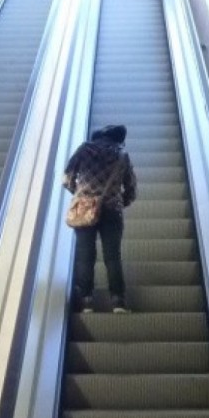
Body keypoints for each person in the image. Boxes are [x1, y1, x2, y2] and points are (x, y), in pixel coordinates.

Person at [64, 125, 137, 313]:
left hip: (84, 208)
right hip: (112, 210)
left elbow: (67, 179)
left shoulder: (84, 149)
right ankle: (118, 302)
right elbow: (131, 188)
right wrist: (122, 201)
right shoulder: (122, 155)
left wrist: (81, 195)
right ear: (118, 140)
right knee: (112, 256)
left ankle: (86, 302)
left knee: (85, 255)